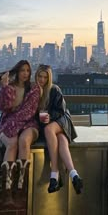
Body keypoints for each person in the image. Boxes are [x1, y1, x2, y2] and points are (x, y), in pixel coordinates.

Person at [0, 60, 40, 204]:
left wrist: (14, 120)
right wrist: (4, 87)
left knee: (24, 141)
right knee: (12, 143)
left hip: (28, 124)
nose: (25, 74)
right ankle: (7, 191)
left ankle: (21, 188)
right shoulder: (10, 87)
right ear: (17, 72)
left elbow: (29, 112)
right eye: (22, 70)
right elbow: (4, 107)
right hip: (8, 124)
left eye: (28, 70)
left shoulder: (34, 89)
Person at [35, 64, 83, 194]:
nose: (42, 80)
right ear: (36, 76)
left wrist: (49, 117)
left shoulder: (54, 89)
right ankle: (74, 175)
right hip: (51, 124)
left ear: (49, 78)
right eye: (40, 76)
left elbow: (61, 111)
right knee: (61, 139)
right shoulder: (34, 92)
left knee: (49, 130)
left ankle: (54, 173)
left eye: (45, 77)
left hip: (61, 119)